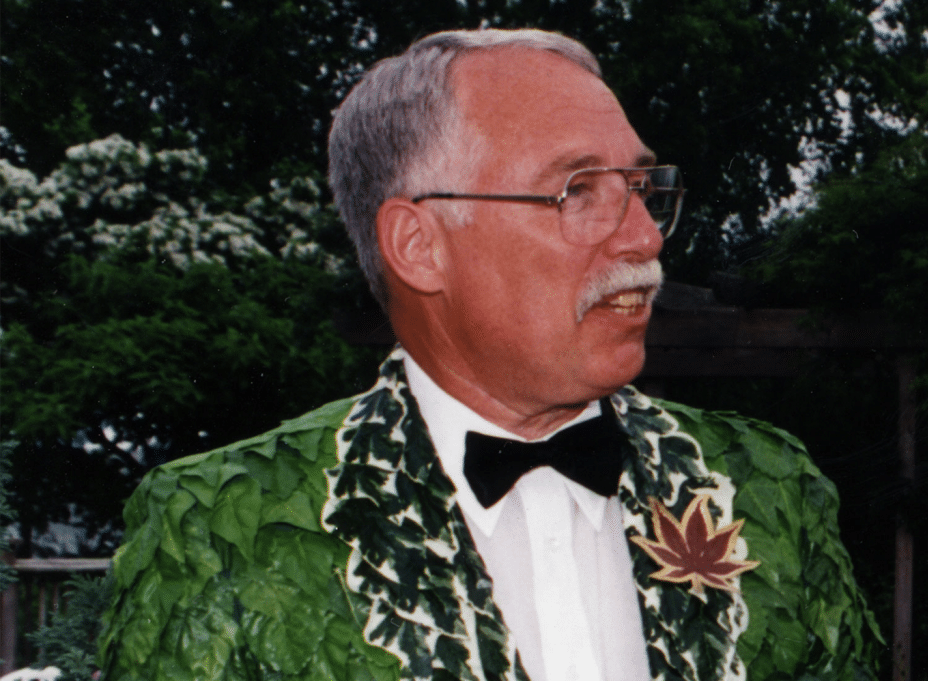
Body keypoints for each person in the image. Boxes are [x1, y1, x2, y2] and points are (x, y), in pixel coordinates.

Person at [100, 29, 880, 681]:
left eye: (642, 187)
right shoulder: (213, 533)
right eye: (576, 190)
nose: (643, 237)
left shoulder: (771, 491)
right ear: (419, 245)